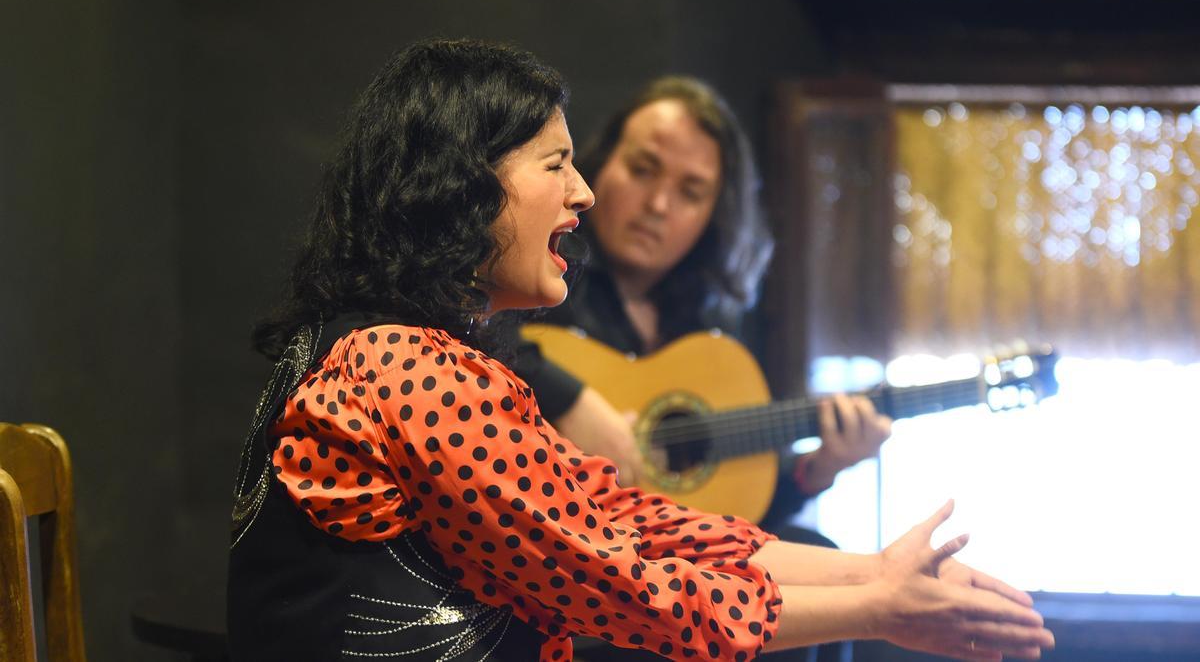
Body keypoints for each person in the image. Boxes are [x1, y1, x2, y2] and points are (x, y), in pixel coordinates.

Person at [226, 39, 1054, 662]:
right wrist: (878, 609)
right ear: (463, 183)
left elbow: (626, 516)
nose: (582, 192)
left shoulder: (379, 345)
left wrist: (873, 572)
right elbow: (608, 576)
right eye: (557, 163)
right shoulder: (407, 369)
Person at [516, 77, 889, 533]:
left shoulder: (709, 330)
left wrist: (819, 468)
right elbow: (466, 332)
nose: (657, 204)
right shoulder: (534, 267)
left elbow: (729, 513)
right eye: (642, 169)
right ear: (599, 162)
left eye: (690, 193)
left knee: (811, 545)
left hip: (647, 551)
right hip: (544, 533)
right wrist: (574, 402)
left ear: (715, 214)